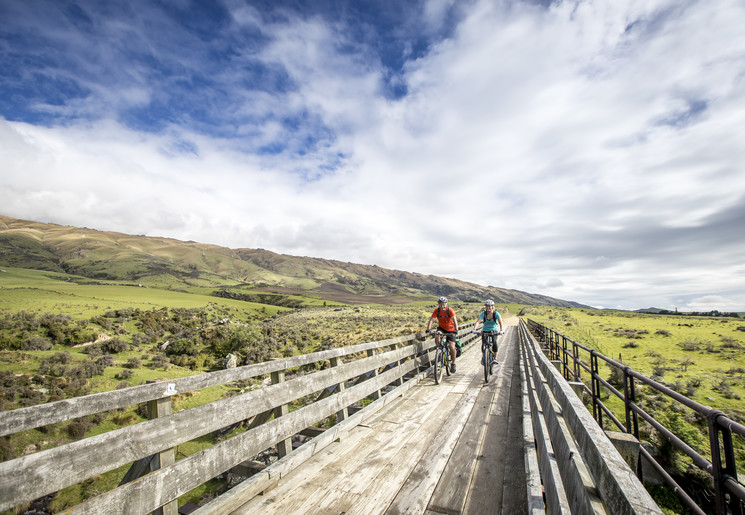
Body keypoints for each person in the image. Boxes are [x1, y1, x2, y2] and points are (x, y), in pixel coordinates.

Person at [426, 296, 459, 373]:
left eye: (444, 304)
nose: (442, 306)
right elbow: (431, 320)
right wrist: (428, 329)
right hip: (442, 328)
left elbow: (455, 320)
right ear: (438, 304)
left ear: (446, 304)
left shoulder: (450, 310)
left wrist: (456, 330)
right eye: (440, 304)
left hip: (451, 330)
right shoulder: (436, 311)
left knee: (452, 346)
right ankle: (440, 349)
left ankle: (453, 363)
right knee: (437, 334)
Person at [473, 299, 504, 364]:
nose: (488, 308)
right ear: (485, 307)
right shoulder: (483, 313)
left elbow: (500, 321)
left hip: (494, 329)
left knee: (494, 342)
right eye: (487, 306)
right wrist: (474, 329)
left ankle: (495, 358)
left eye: (490, 306)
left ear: (492, 307)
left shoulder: (496, 313)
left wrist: (501, 330)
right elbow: (478, 321)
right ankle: (484, 357)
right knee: (483, 344)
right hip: (485, 330)